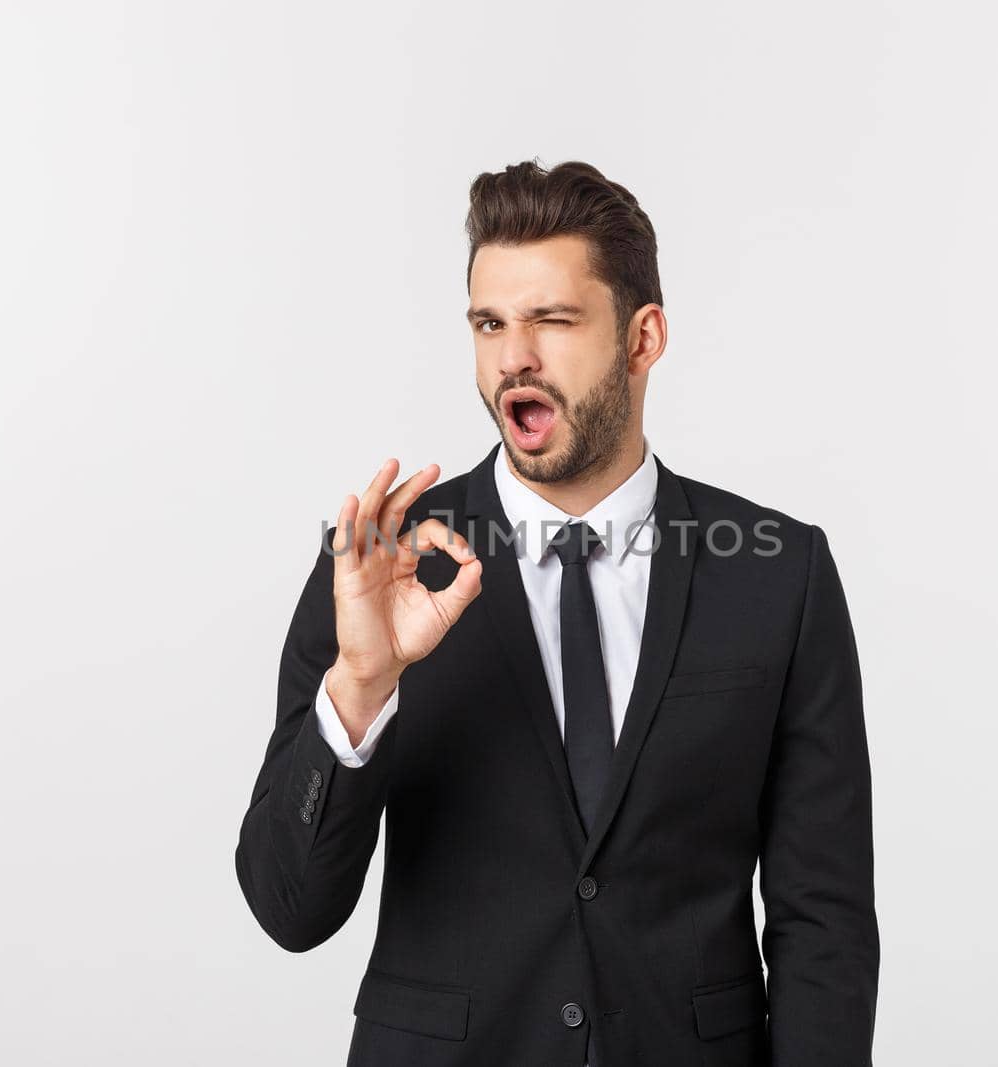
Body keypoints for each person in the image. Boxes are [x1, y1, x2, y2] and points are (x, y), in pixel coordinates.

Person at [235, 159, 879, 1066]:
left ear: (643, 337)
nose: (513, 358)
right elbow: (288, 908)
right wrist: (362, 688)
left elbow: (826, 920)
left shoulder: (781, 572)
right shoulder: (381, 567)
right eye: (490, 323)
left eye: (553, 320)